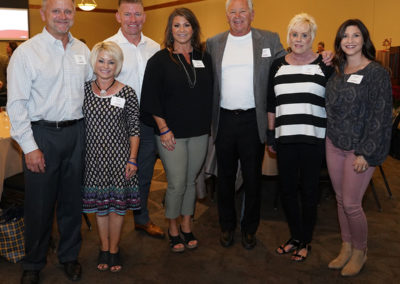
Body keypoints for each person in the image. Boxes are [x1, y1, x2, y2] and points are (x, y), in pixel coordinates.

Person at [6, 0, 92, 283]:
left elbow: (92, 89)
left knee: (72, 202)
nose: (63, 16)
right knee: (39, 205)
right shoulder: (27, 53)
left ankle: (69, 256)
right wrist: (30, 148)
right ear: (43, 14)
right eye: (56, 11)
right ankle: (33, 262)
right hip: (42, 135)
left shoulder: (82, 50)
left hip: (76, 133)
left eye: (68, 11)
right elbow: (16, 105)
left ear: (74, 15)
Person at [206, 0, 286, 250]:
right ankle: (227, 225)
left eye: (243, 11)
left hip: (254, 120)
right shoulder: (213, 43)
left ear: (252, 14)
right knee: (225, 179)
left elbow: (289, 63)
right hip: (224, 120)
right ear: (226, 15)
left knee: (253, 179)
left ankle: (250, 228)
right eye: (233, 12)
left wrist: (321, 58)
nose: (238, 16)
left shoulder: (270, 40)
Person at [140, 7, 213, 253]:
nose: (182, 30)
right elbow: (151, 98)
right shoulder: (159, 61)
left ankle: (187, 224)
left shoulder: (204, 56)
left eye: (186, 25)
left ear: (194, 28)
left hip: (200, 131)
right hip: (170, 132)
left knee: (191, 181)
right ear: (170, 30)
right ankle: (172, 227)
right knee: (176, 183)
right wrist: (163, 128)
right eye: (177, 25)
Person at [325, 19, 392, 277]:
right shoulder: (338, 69)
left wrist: (366, 151)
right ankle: (346, 246)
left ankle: (360, 251)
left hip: (360, 148)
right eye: (344, 36)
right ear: (339, 41)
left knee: (352, 204)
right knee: (341, 200)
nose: (349, 40)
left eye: (355, 35)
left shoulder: (376, 73)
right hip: (334, 143)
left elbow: (381, 115)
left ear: (364, 39)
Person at [267, 13, 333, 262]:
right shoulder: (277, 65)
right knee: (286, 190)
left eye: (305, 35)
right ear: (288, 36)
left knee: (309, 191)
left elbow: (333, 102)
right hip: (285, 139)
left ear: (312, 38)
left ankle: (305, 240)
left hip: (313, 139)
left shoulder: (324, 65)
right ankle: (294, 236)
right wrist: (270, 135)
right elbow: (270, 103)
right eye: (295, 34)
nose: (299, 39)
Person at [106, 0, 165, 239]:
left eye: (137, 14)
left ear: (144, 16)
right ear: (118, 16)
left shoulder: (154, 47)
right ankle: (112, 225)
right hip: (117, 122)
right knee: (116, 175)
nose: (133, 19)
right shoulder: (108, 46)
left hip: (147, 121)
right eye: (127, 14)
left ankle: (141, 219)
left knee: (144, 173)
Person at [82, 41, 140, 272]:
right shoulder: (84, 89)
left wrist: (133, 159)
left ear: (118, 65)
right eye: (101, 60)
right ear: (94, 62)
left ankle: (114, 250)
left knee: (117, 208)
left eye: (111, 61)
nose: (106, 66)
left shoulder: (127, 92)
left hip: (120, 160)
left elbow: (134, 129)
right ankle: (103, 247)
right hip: (92, 160)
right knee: (100, 208)